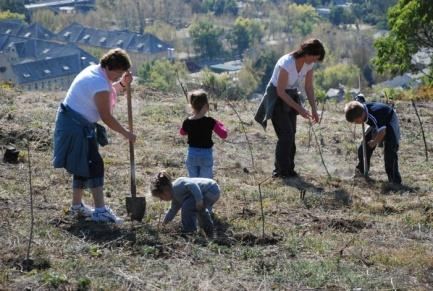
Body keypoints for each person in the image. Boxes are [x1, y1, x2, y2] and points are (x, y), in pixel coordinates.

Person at [53, 48, 136, 224]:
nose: (119, 76)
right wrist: (126, 133)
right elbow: (106, 116)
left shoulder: (96, 72)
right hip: (75, 127)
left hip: (75, 123)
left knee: (82, 164)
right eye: (119, 73)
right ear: (110, 67)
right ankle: (100, 211)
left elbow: (106, 91)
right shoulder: (98, 82)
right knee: (94, 165)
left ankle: (77, 206)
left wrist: (121, 84)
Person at [254, 38, 325, 179]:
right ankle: (281, 172)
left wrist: (314, 110)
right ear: (307, 53)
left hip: (291, 95)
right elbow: (280, 91)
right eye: (314, 58)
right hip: (277, 96)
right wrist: (299, 108)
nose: (314, 62)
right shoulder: (287, 63)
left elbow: (309, 88)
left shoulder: (308, 65)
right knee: (286, 135)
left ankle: (289, 170)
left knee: (291, 133)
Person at [344, 97, 402, 185]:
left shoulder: (374, 115)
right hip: (376, 124)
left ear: (361, 116)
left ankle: (395, 181)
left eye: (355, 121)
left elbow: (382, 132)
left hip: (389, 121)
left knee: (390, 153)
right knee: (363, 148)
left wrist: (374, 142)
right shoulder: (360, 109)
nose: (355, 123)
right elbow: (357, 102)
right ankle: (361, 172)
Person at [150, 171, 221, 236]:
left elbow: (193, 185)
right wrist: (164, 223)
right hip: (212, 191)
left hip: (210, 189)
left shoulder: (177, 186)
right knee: (200, 210)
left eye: (161, 197)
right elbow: (172, 211)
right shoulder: (175, 198)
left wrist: (199, 200)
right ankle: (209, 230)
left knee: (187, 207)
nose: (161, 200)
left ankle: (189, 232)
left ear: (166, 189)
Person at [180, 89, 228, 178]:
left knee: (193, 181)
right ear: (206, 106)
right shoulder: (210, 121)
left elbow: (182, 132)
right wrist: (220, 124)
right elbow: (224, 135)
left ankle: (195, 192)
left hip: (192, 154)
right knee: (205, 182)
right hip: (206, 155)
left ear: (192, 106)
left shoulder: (187, 121)